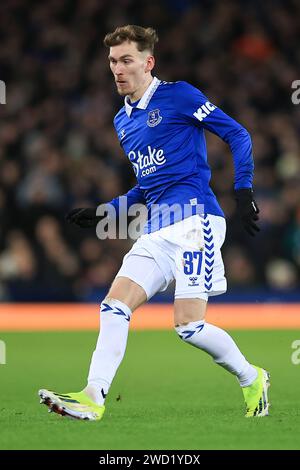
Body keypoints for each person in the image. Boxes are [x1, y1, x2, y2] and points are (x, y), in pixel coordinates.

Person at [39, 25, 270, 421]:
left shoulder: (179, 95)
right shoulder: (122, 121)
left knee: (188, 327)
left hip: (197, 221)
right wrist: (105, 210)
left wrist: (243, 189)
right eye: (112, 61)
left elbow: (238, 134)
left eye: (126, 60)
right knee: (114, 305)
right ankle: (93, 397)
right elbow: (147, 187)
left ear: (148, 63)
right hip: (158, 228)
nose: (118, 69)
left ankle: (253, 378)